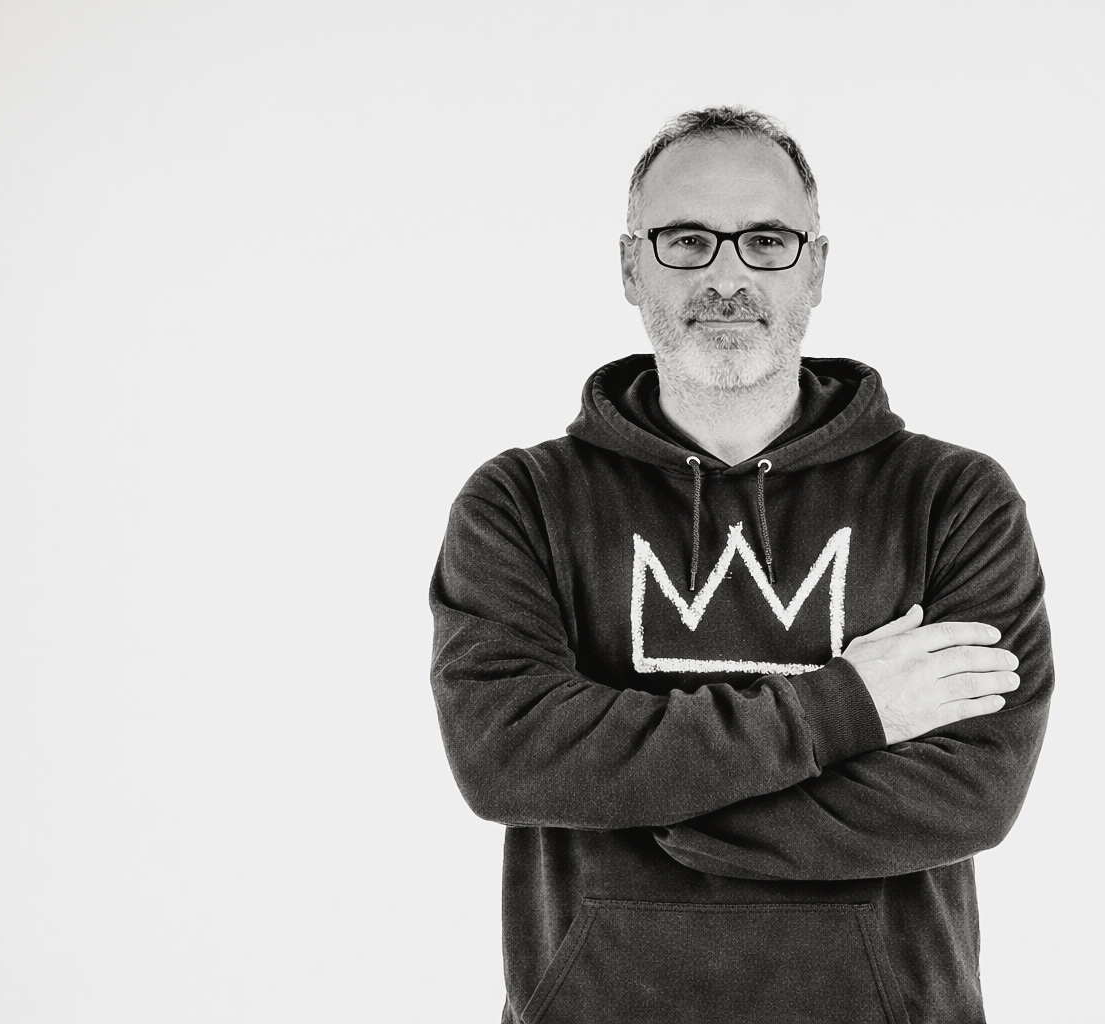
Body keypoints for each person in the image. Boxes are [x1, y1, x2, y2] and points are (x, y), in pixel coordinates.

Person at [429, 107, 1053, 1024]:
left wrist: (647, 802)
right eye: (687, 241)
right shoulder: (522, 501)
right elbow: (508, 757)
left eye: (766, 241)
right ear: (631, 266)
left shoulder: (950, 499)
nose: (727, 278)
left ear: (817, 267)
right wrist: (845, 709)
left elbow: (972, 790)